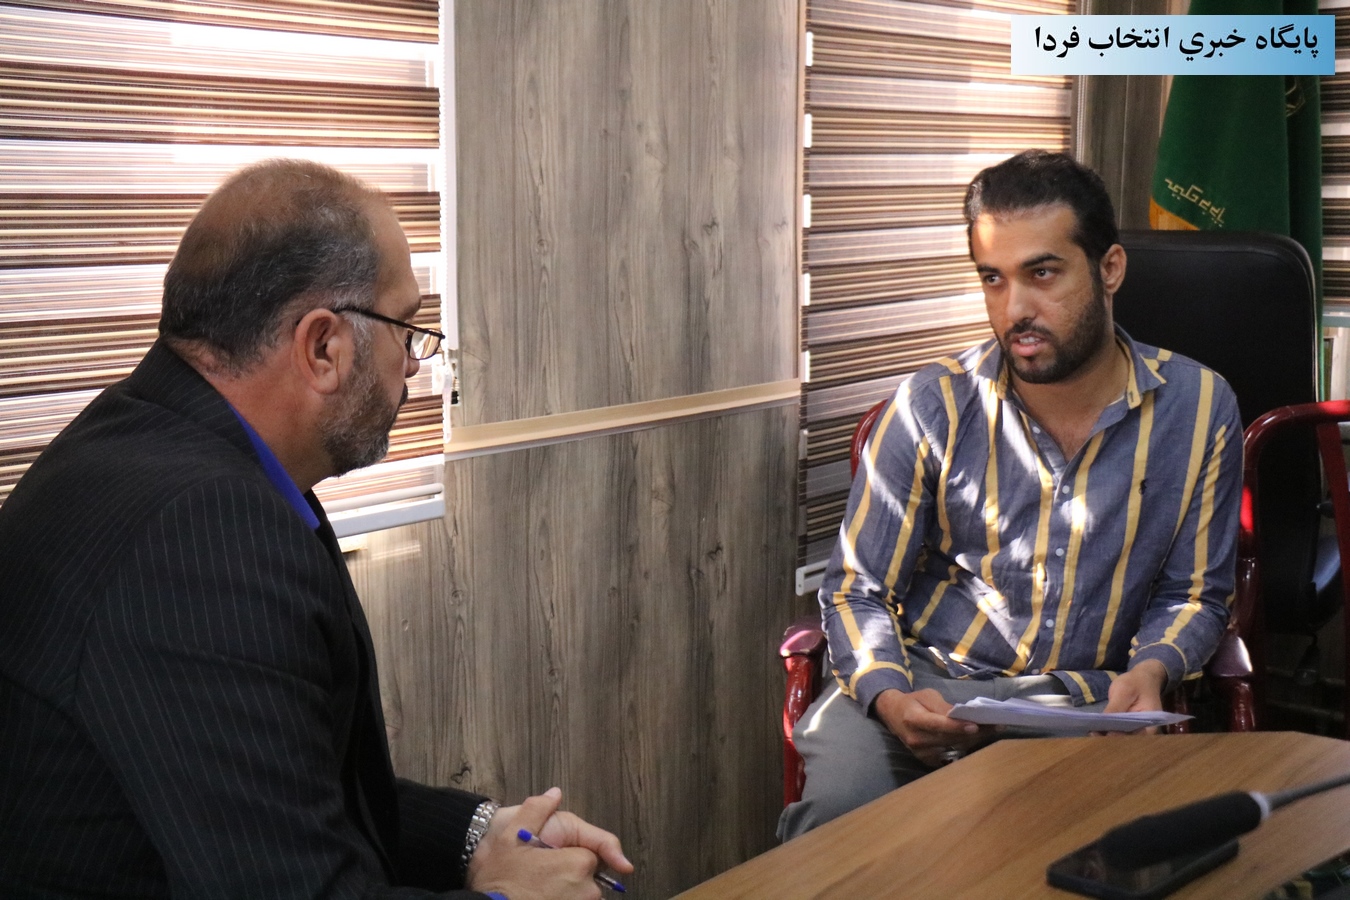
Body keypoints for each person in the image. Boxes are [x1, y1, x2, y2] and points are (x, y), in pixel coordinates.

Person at [0, 159, 632, 899]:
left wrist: (481, 835)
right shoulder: (203, 535)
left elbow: (284, 793)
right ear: (323, 347)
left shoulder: (170, 448)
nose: (412, 367)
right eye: (406, 329)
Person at [778, 150, 1242, 841]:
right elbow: (857, 589)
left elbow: (1195, 594)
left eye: (1042, 273)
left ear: (1110, 268)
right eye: (992, 279)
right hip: (926, 686)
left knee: (1101, 859)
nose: (1015, 309)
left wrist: (1153, 669)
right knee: (836, 840)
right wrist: (889, 694)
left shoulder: (1200, 407)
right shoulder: (931, 405)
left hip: (1083, 705)